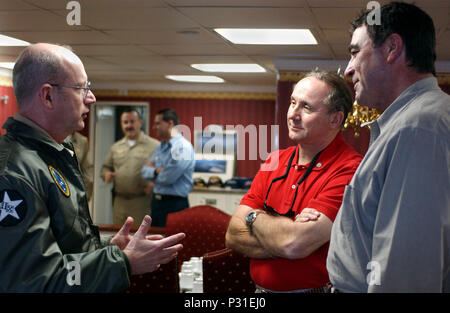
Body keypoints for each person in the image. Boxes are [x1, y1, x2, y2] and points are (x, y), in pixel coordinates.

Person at [0, 43, 185, 292]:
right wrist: (123, 262)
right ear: (47, 96)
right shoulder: (14, 173)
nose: (91, 97)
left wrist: (106, 248)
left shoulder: (53, 153)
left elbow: (65, 247)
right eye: (82, 88)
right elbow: (36, 281)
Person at [316, 2, 449, 292]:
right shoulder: (414, 122)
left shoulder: (418, 128)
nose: (348, 70)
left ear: (392, 48)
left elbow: (405, 275)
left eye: (354, 52)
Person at [225, 70, 362, 293]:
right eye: (292, 103)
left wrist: (254, 217)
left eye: (306, 107)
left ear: (335, 119)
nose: (293, 114)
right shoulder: (275, 160)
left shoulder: (350, 168)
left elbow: (294, 244)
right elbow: (232, 235)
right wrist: (285, 237)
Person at [101, 109, 159, 225]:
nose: (129, 125)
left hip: (141, 202)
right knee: (118, 237)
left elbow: (164, 171)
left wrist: (154, 185)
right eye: (125, 122)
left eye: (132, 121)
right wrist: (106, 174)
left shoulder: (154, 145)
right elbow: (106, 167)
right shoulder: (116, 147)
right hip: (119, 202)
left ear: (140, 123)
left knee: (138, 237)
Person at [141, 109, 195, 227]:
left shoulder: (183, 148)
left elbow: (167, 177)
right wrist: (156, 170)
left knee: (173, 243)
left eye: (158, 123)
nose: (154, 127)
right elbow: (144, 171)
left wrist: (155, 173)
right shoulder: (161, 147)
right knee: (154, 241)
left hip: (175, 204)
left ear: (170, 123)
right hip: (157, 203)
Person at [67, 131, 93, 201]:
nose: (83, 119)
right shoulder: (51, 134)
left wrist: (84, 199)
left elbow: (88, 174)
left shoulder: (82, 141)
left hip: (75, 197)